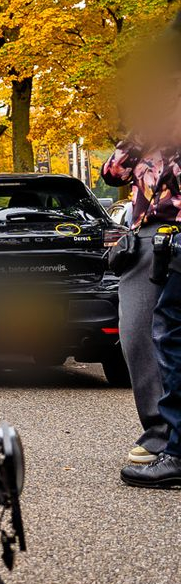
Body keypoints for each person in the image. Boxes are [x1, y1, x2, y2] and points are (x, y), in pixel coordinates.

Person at [101, 138, 177, 474]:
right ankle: (160, 432)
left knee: (171, 338)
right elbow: (112, 173)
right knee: (137, 335)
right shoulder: (146, 138)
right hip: (145, 239)